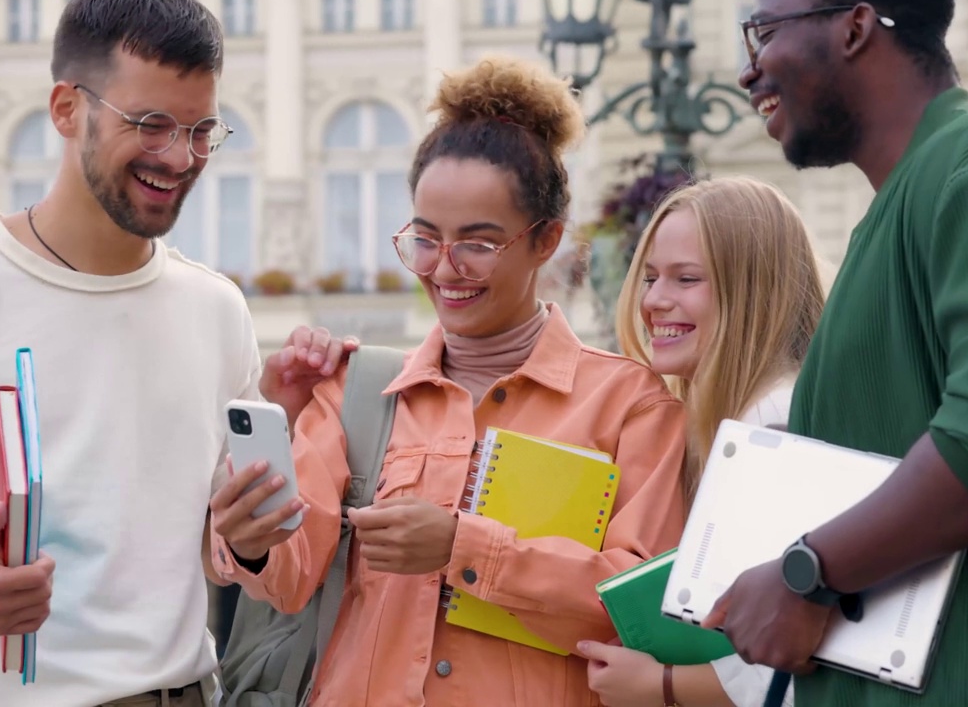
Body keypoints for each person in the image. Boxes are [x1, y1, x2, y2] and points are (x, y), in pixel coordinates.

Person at [0, 0, 298, 705]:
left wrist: (246, 533)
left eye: (203, 130)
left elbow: (208, 545)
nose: (180, 157)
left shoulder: (218, 309)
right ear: (66, 109)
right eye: (151, 124)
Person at [207, 55, 688, 706]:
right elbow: (289, 581)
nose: (444, 268)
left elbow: (637, 608)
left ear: (545, 240)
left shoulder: (631, 406)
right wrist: (251, 541)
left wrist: (467, 547)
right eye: (425, 239)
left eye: (478, 243)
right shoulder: (354, 392)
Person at [702, 0, 968, 705]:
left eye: (762, 33)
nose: (748, 71)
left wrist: (807, 572)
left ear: (854, 27)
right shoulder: (908, 199)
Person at [579, 176, 825, 707]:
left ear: (754, 289)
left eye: (686, 278)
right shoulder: (726, 415)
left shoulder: (775, 422)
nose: (654, 301)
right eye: (649, 278)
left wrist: (660, 687)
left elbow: (796, 648)